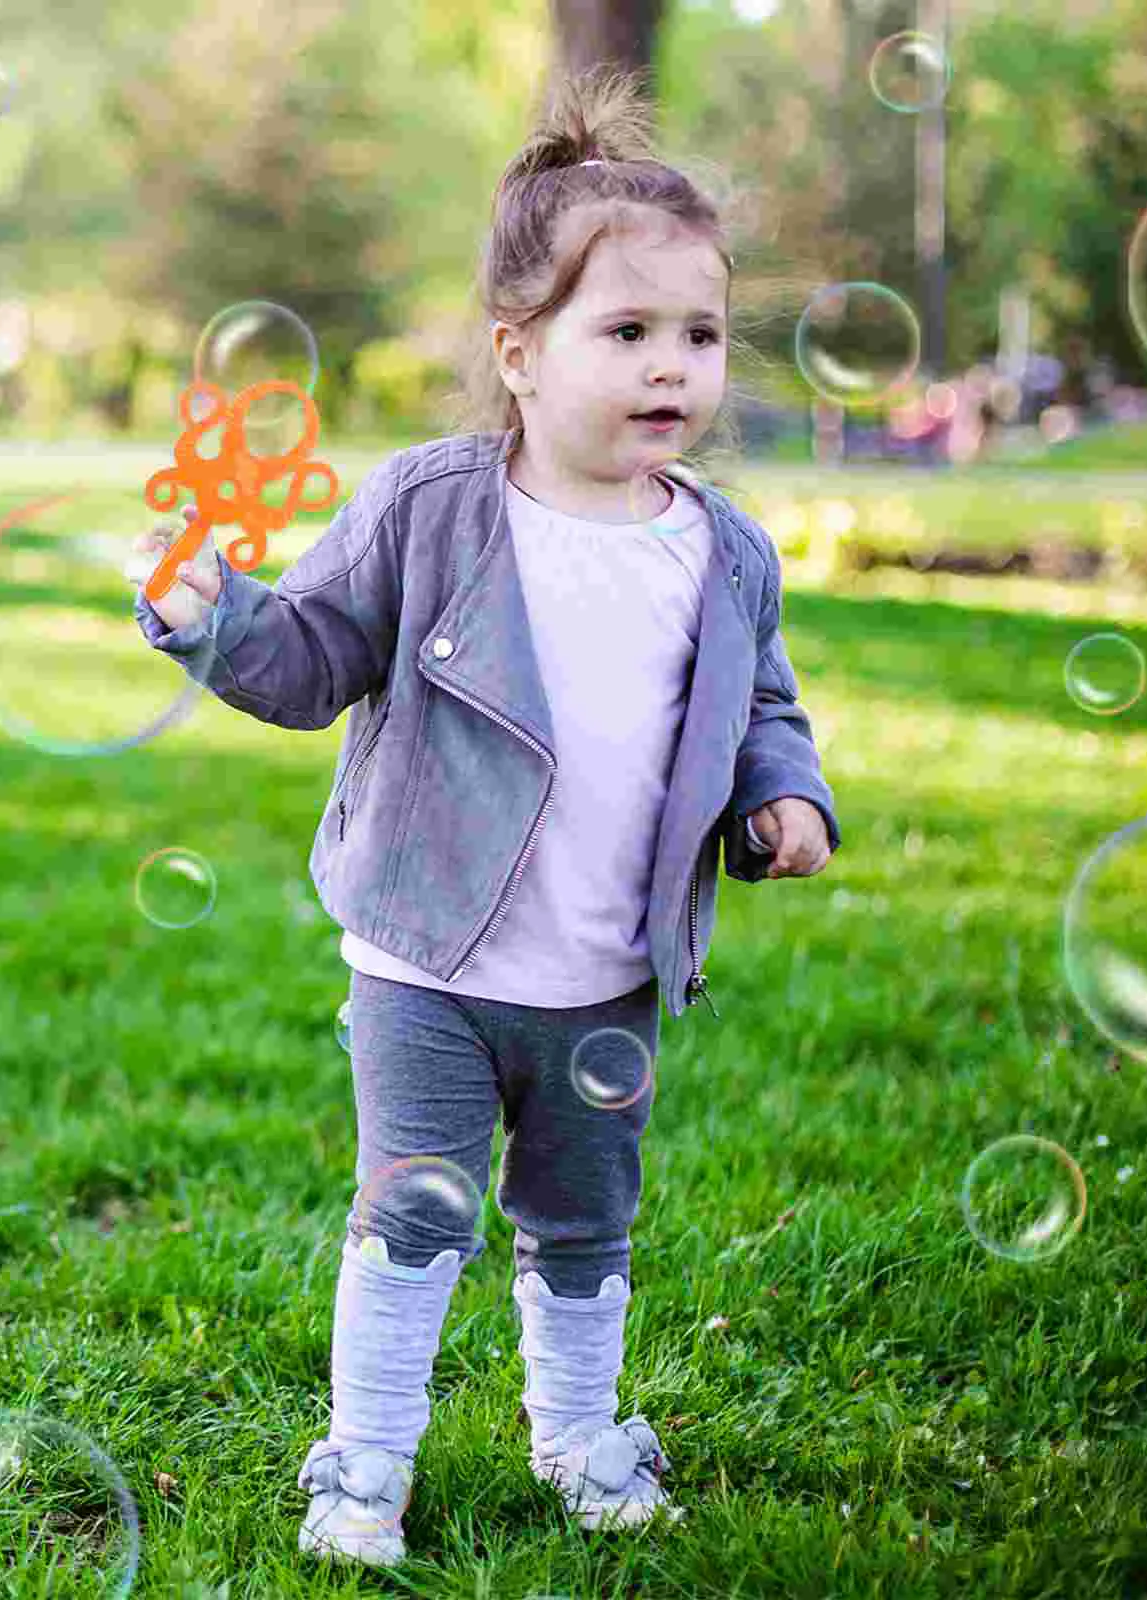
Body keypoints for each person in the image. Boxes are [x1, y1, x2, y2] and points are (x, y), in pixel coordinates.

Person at [132, 66, 839, 1568]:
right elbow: (315, 659)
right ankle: (363, 1467)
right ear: (520, 354)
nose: (674, 369)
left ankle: (578, 1436)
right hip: (429, 964)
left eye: (700, 336)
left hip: (607, 977)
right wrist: (215, 617)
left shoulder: (723, 550)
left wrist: (784, 795)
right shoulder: (435, 509)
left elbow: (760, 702)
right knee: (414, 1220)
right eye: (630, 332)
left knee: (585, 1227)